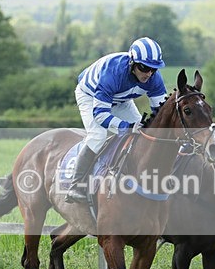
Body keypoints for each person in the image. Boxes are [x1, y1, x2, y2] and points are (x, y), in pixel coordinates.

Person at [65, 37, 167, 203]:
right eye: (144, 67)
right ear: (132, 62)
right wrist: (126, 126)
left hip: (122, 100)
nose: (149, 73)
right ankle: (76, 185)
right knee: (98, 135)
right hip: (90, 96)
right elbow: (100, 114)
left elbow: (161, 113)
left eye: (154, 69)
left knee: (143, 134)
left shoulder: (154, 79)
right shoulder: (113, 72)